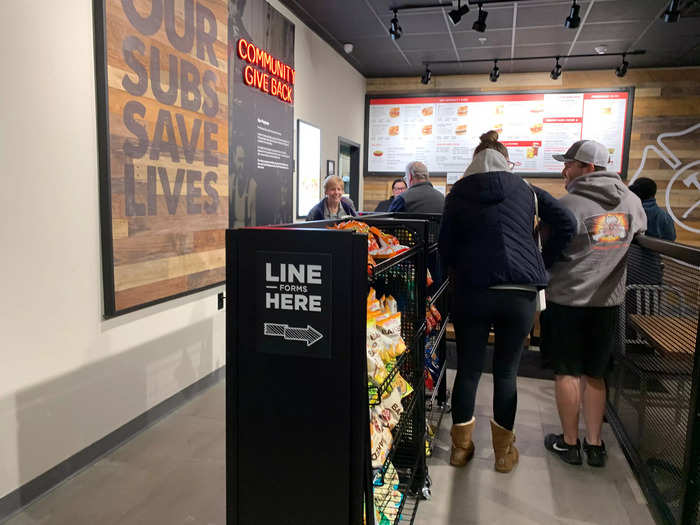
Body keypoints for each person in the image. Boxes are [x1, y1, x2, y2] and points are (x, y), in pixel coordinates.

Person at [439, 131, 576, 473]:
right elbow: (565, 222)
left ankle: (460, 449)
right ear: (506, 160)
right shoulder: (526, 190)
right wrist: (540, 261)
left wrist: (460, 270)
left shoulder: (457, 193)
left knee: (469, 370)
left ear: (474, 159)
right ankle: (502, 455)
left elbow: (445, 247)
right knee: (506, 372)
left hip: (473, 290)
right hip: (520, 291)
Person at [542, 140, 646, 467]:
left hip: (566, 301)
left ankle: (570, 444)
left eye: (569, 164)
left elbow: (544, 246)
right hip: (608, 302)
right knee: (596, 373)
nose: (564, 170)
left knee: (568, 372)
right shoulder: (631, 202)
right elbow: (641, 231)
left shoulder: (568, 204)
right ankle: (595, 444)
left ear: (587, 168)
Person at [628, 177, 676, 241]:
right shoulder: (664, 216)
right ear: (653, 193)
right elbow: (671, 240)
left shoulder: (628, 211)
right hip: (656, 250)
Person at [231, 144, 257, 228]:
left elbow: (253, 218)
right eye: (240, 160)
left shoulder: (253, 185)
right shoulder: (229, 181)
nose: (243, 166)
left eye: (245, 160)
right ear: (233, 158)